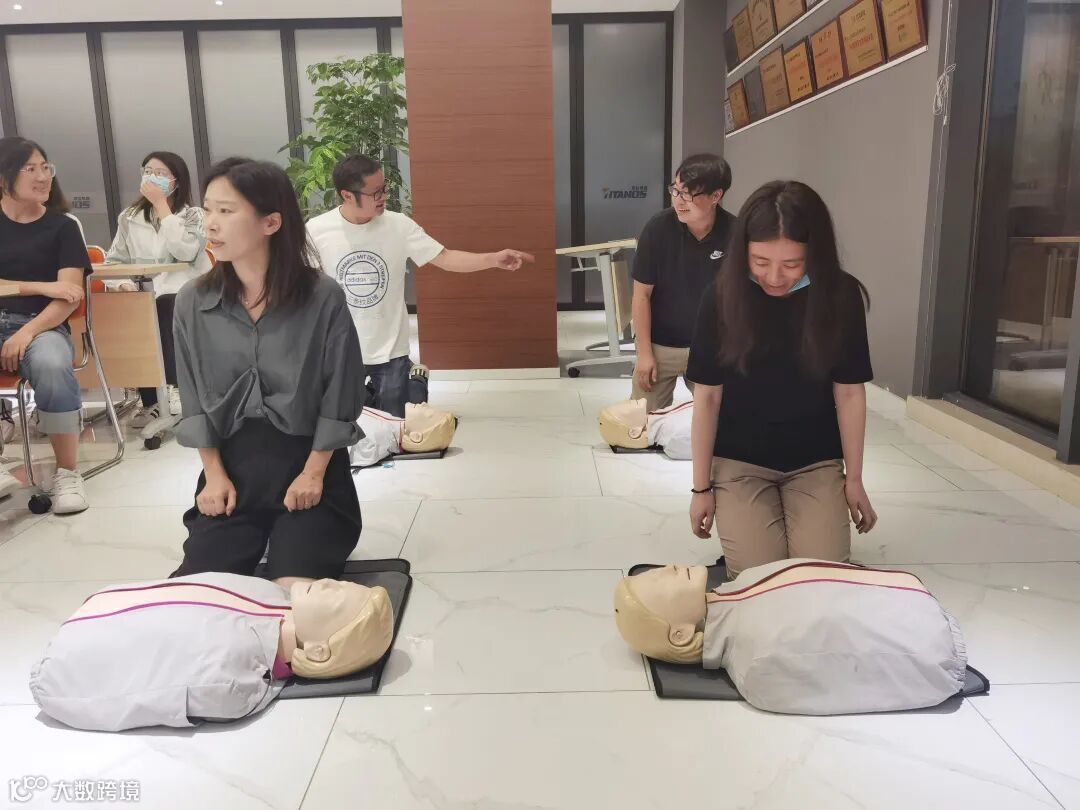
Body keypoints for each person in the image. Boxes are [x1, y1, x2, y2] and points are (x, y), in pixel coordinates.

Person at [170, 158, 366, 589]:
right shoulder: (192, 302)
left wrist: (313, 473)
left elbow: (340, 393)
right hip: (232, 471)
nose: (211, 224)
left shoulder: (322, 298)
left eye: (226, 211)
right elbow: (193, 398)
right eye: (208, 209)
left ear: (271, 222)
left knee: (293, 591)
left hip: (308, 465)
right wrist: (213, 475)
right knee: (202, 589)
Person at [686, 180, 877, 580]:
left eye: (792, 264)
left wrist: (855, 480)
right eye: (760, 261)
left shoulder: (839, 296)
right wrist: (701, 489)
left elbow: (849, 393)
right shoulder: (720, 298)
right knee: (760, 576)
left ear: (815, 254)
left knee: (819, 575)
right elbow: (707, 399)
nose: (774, 277)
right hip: (740, 461)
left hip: (815, 461)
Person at [306, 154, 535, 417]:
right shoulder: (316, 230)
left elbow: (445, 257)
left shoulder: (398, 225)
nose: (384, 196)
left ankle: (415, 382)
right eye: (375, 192)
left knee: (396, 425)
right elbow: (306, 286)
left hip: (390, 348)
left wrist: (492, 259)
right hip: (339, 348)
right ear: (347, 195)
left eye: (384, 188)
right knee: (344, 424)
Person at [30, 573, 394, 731]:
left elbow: (143, 697)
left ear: (318, 652)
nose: (331, 583)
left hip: (68, 666)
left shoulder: (235, 679)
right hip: (100, 610)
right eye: (344, 584)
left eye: (339, 599)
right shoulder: (267, 594)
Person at [612, 560, 968, 715]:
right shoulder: (758, 662)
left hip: (915, 603)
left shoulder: (745, 582)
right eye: (658, 582)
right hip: (934, 643)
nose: (667, 568)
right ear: (680, 635)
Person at [0, 137, 91, 513]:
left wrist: (26, 332)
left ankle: (67, 473)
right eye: (31, 169)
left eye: (45, 167)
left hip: (42, 326)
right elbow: (54, 288)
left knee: (53, 365)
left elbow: (69, 295)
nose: (43, 176)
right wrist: (38, 285)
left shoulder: (63, 227)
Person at [105, 151, 211, 425]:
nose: (152, 178)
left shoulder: (194, 215)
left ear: (177, 181)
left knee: (166, 305)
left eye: (161, 173)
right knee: (135, 310)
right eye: (148, 172)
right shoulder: (129, 217)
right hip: (143, 292)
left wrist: (162, 207)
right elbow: (114, 261)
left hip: (186, 293)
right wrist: (121, 284)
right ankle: (151, 401)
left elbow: (186, 251)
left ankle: (175, 390)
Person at [631, 154, 735, 411]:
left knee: (721, 421)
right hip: (660, 345)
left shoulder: (735, 233)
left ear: (716, 196)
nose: (678, 200)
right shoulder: (658, 228)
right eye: (676, 190)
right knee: (641, 422)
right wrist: (644, 354)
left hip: (710, 347)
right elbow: (641, 295)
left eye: (688, 194)